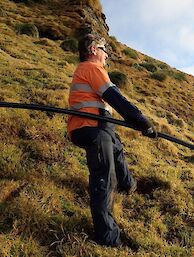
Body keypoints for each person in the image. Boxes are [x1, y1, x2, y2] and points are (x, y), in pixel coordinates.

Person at [67, 33, 157, 247]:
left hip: (99, 126)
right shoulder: (91, 67)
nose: (107, 55)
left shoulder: (89, 70)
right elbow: (114, 97)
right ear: (93, 50)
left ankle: (129, 186)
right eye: (104, 50)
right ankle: (108, 238)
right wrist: (141, 121)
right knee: (104, 179)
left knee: (117, 150)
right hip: (91, 127)